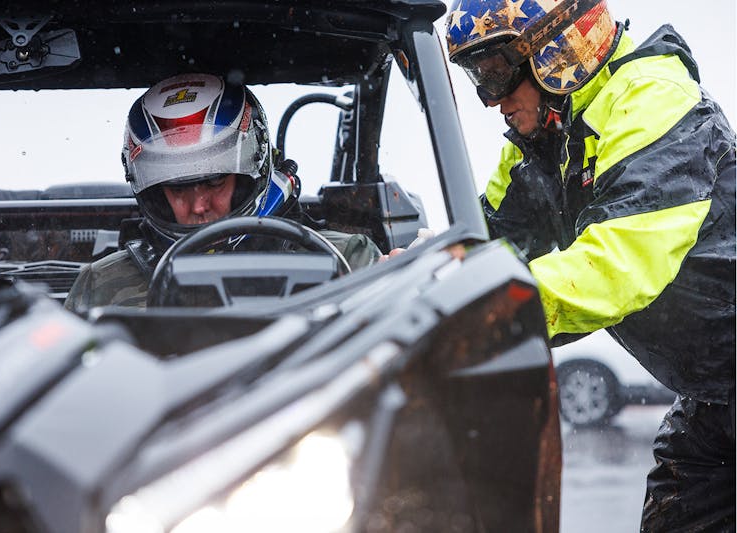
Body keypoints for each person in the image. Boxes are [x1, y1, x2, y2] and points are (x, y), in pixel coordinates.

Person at [444, 0, 735, 530]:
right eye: (477, 79)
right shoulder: (543, 142)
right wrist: (424, 274)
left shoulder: (652, 99)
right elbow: (488, 243)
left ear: (556, 50)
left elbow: (616, 266)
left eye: (496, 74)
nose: (491, 101)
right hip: (714, 397)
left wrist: (480, 313)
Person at [65, 73, 380, 312]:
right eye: (178, 188)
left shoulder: (345, 260)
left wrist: (404, 281)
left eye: (215, 182)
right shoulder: (101, 286)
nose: (199, 206)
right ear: (155, 192)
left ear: (251, 172)